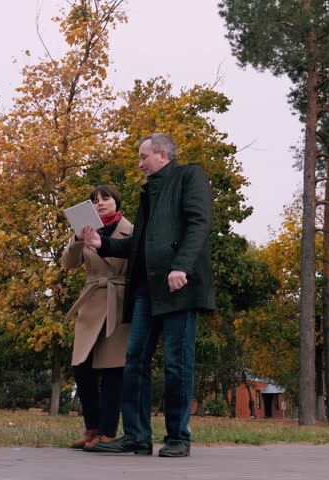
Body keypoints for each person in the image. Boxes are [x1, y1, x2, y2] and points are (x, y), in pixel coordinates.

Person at [81, 133, 214, 458]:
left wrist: (181, 266)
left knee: (176, 364)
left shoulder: (189, 176)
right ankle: (137, 436)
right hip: (145, 289)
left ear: (163, 154)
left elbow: (199, 224)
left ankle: (178, 437)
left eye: (144, 157)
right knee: (135, 362)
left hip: (178, 287)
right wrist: (103, 244)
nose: (140, 164)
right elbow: (137, 244)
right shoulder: (148, 193)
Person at [62, 185, 133, 451]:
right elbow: (68, 264)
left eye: (105, 198)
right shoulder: (86, 229)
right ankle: (91, 427)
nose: (100, 203)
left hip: (118, 301)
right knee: (82, 365)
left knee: (113, 369)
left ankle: (107, 432)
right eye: (94, 200)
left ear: (117, 201)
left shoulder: (131, 230)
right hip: (91, 301)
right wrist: (78, 239)